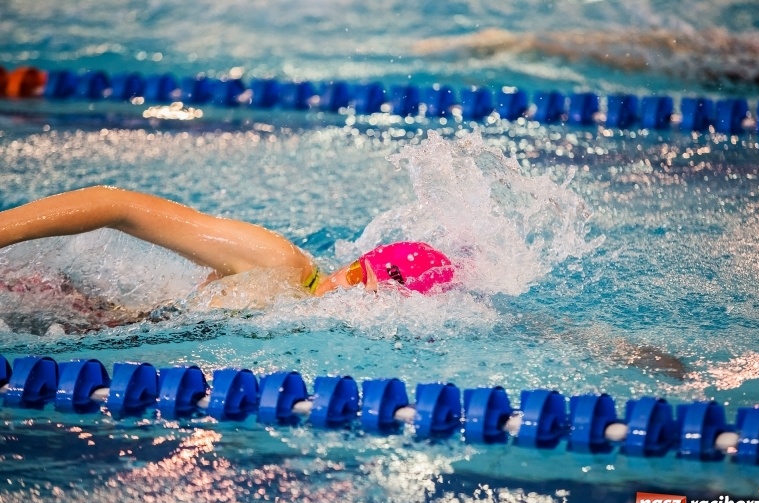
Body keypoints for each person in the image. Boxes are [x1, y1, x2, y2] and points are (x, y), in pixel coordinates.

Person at [0, 186, 455, 330]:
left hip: (91, 323)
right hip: (51, 309)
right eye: (361, 282)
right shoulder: (279, 263)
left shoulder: (299, 305)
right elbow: (115, 205)